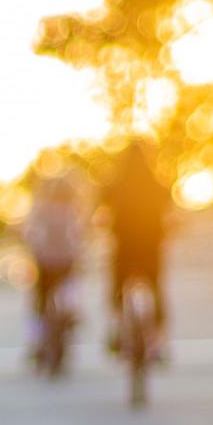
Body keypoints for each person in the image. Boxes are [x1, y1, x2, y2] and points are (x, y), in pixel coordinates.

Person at [100, 139, 171, 356]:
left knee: (117, 289)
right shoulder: (156, 182)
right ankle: (157, 342)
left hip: (124, 246)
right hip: (151, 246)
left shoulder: (115, 184)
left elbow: (102, 211)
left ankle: (119, 330)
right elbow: (171, 212)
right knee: (156, 288)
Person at [22, 174, 87, 359]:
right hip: (66, 262)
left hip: (45, 262)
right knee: (71, 292)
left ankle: (36, 342)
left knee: (38, 305)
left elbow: (30, 233)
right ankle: (71, 318)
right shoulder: (74, 211)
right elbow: (80, 236)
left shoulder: (41, 210)